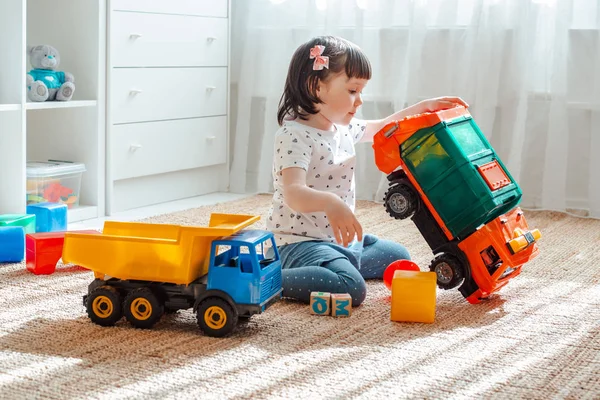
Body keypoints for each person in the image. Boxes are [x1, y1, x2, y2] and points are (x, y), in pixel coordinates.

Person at [267, 35, 468, 307]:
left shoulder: (342, 127)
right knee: (351, 289)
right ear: (316, 87)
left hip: (339, 241)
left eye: (361, 91)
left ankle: (338, 264)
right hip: (300, 244)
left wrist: (424, 109)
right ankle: (267, 278)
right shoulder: (294, 135)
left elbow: (384, 127)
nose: (359, 100)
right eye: (352, 91)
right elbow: (293, 193)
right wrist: (331, 202)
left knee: (398, 256)